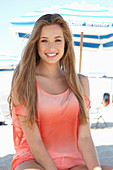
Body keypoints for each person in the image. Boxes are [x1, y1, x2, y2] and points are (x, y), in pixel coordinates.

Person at [8, 14, 113, 170]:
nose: (51, 47)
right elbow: (34, 141)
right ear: (36, 44)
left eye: (58, 40)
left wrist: (95, 168)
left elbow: (84, 137)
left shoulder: (81, 83)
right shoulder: (23, 81)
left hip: (73, 161)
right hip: (34, 160)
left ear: (66, 44)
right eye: (44, 41)